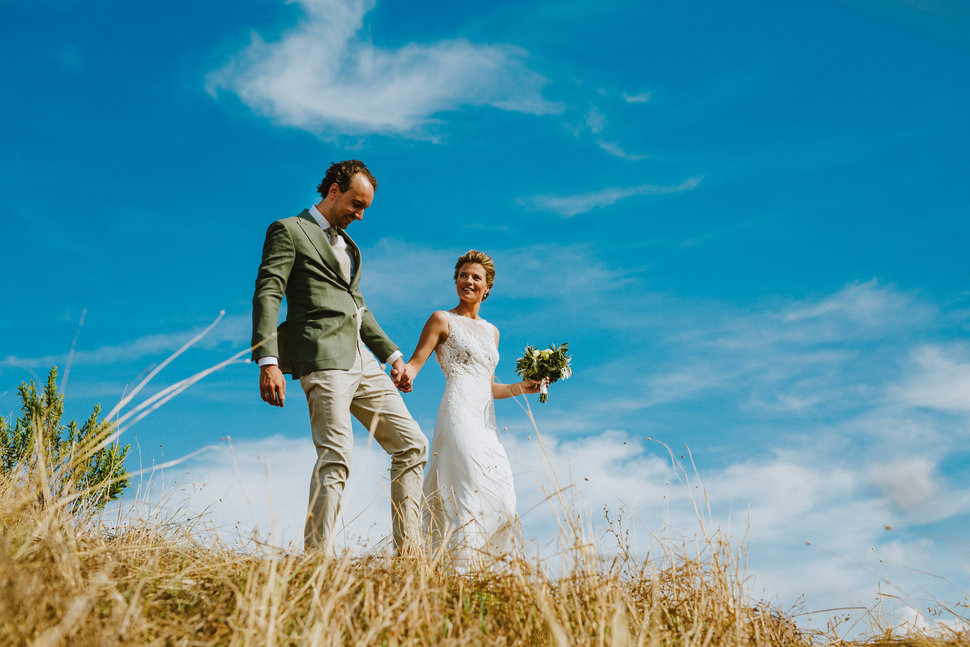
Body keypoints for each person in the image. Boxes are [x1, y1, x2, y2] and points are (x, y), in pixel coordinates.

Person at [251, 160, 427, 556]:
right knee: (337, 457)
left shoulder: (350, 247)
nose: (359, 215)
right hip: (322, 358)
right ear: (333, 190)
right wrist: (269, 361)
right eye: (355, 204)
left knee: (413, 444)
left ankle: (411, 555)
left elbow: (357, 306)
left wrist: (393, 355)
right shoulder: (289, 231)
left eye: (365, 208)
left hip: (363, 360)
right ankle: (316, 562)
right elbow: (268, 294)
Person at [402, 250, 544, 564]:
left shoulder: (492, 332)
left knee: (503, 500)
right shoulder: (442, 319)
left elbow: (491, 385)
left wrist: (524, 387)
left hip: (486, 423)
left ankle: (479, 567)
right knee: (464, 493)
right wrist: (405, 373)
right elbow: (415, 362)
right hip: (458, 413)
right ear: (456, 281)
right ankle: (460, 574)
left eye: (475, 277)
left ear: (487, 287)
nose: (468, 281)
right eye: (463, 275)